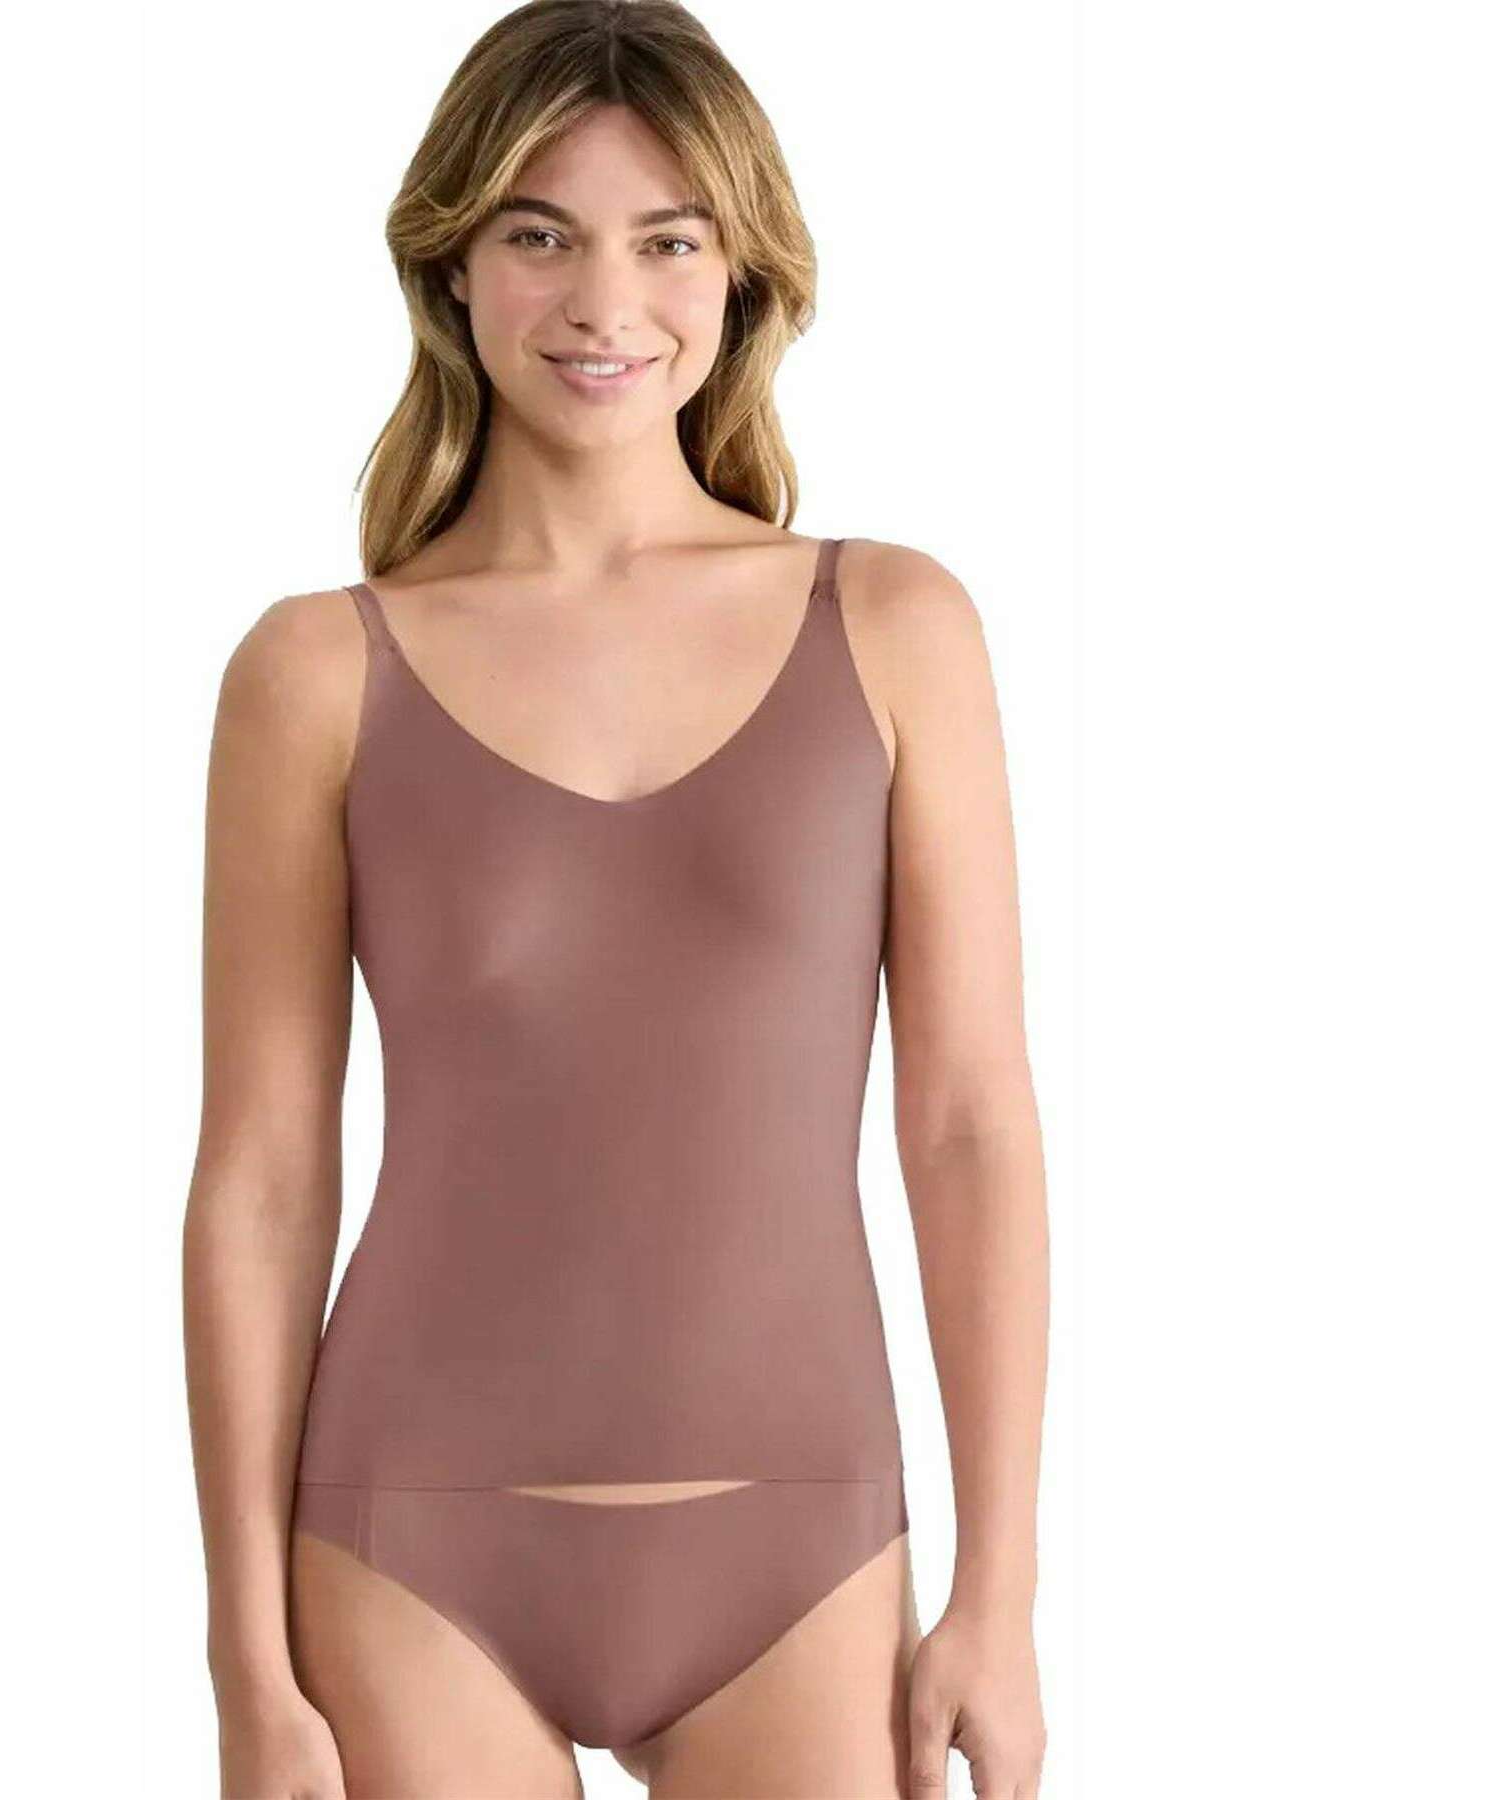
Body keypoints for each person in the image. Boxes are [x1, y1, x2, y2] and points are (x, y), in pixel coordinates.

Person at [182, 3, 1049, 1795]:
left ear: (742, 274)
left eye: (668, 241)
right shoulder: (316, 673)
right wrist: (244, 1661)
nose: (604, 302)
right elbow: (262, 1176)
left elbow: (969, 1124)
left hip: (802, 1543)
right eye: (540, 234)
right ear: (453, 262)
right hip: (408, 1542)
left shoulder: (895, 627)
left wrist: (1003, 1593)